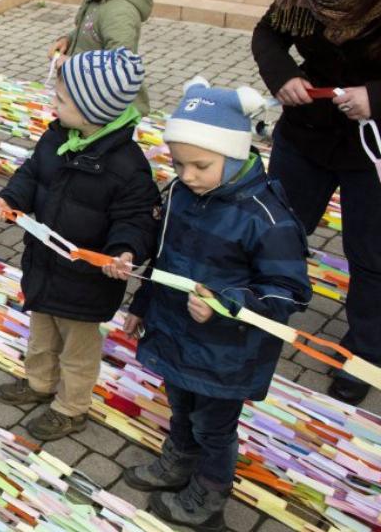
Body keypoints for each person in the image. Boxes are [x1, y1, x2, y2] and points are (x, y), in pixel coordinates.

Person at [122, 79, 312, 531]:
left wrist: (229, 304)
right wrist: (144, 302)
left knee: (214, 426)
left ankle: (209, 492)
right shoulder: (184, 194)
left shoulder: (267, 218)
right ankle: (178, 461)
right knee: (181, 407)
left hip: (227, 354)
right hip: (175, 335)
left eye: (200, 165)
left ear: (234, 152)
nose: (187, 175)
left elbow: (288, 290)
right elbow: (165, 258)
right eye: (179, 163)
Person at [0, 48, 157, 441]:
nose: (53, 104)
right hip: (45, 267)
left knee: (78, 353)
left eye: (62, 99)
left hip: (86, 284)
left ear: (93, 110)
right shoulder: (56, 137)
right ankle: (39, 383)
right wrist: (11, 198)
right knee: (41, 335)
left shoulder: (128, 167)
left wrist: (124, 251)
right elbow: (31, 174)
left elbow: (136, 219)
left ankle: (71, 407)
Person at [251, 0, 381, 406]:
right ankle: (260, 317)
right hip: (306, 134)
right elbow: (268, 34)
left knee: (371, 254)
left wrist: (376, 97)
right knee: (276, 230)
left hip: (373, 150)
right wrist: (283, 74)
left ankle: (365, 352)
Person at [48, 0, 151, 116]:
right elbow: (90, 30)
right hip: (85, 103)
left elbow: (119, 67)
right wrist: (68, 40)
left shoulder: (119, 12)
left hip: (109, 115)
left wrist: (70, 64)